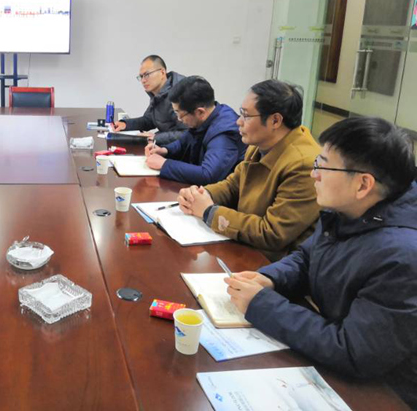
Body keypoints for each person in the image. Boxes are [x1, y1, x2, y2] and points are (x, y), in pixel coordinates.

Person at [224, 117, 417, 409]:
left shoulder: (402, 256)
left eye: (323, 166)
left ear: (363, 184)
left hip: (383, 393)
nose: (314, 174)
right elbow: (307, 257)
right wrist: (270, 278)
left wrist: (262, 304)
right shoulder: (353, 209)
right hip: (333, 358)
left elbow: (354, 351)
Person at [178, 80, 320, 261]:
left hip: (272, 263)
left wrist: (209, 212)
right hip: (245, 246)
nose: (238, 121)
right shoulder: (259, 144)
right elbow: (233, 185)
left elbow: (272, 233)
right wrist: (199, 195)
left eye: (246, 115)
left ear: (275, 120)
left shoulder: (304, 164)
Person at [144, 76, 246, 184]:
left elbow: (208, 175)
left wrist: (164, 164)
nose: (179, 119)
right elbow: (183, 143)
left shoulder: (224, 133)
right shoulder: (205, 118)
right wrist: (165, 150)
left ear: (200, 112)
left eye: (180, 114)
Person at [112, 55, 186, 144]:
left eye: (147, 75)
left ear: (162, 72)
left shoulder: (181, 93)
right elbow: (148, 120)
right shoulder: (157, 94)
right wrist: (125, 124)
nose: (143, 81)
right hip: (168, 146)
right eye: (141, 76)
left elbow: (186, 134)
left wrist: (155, 137)